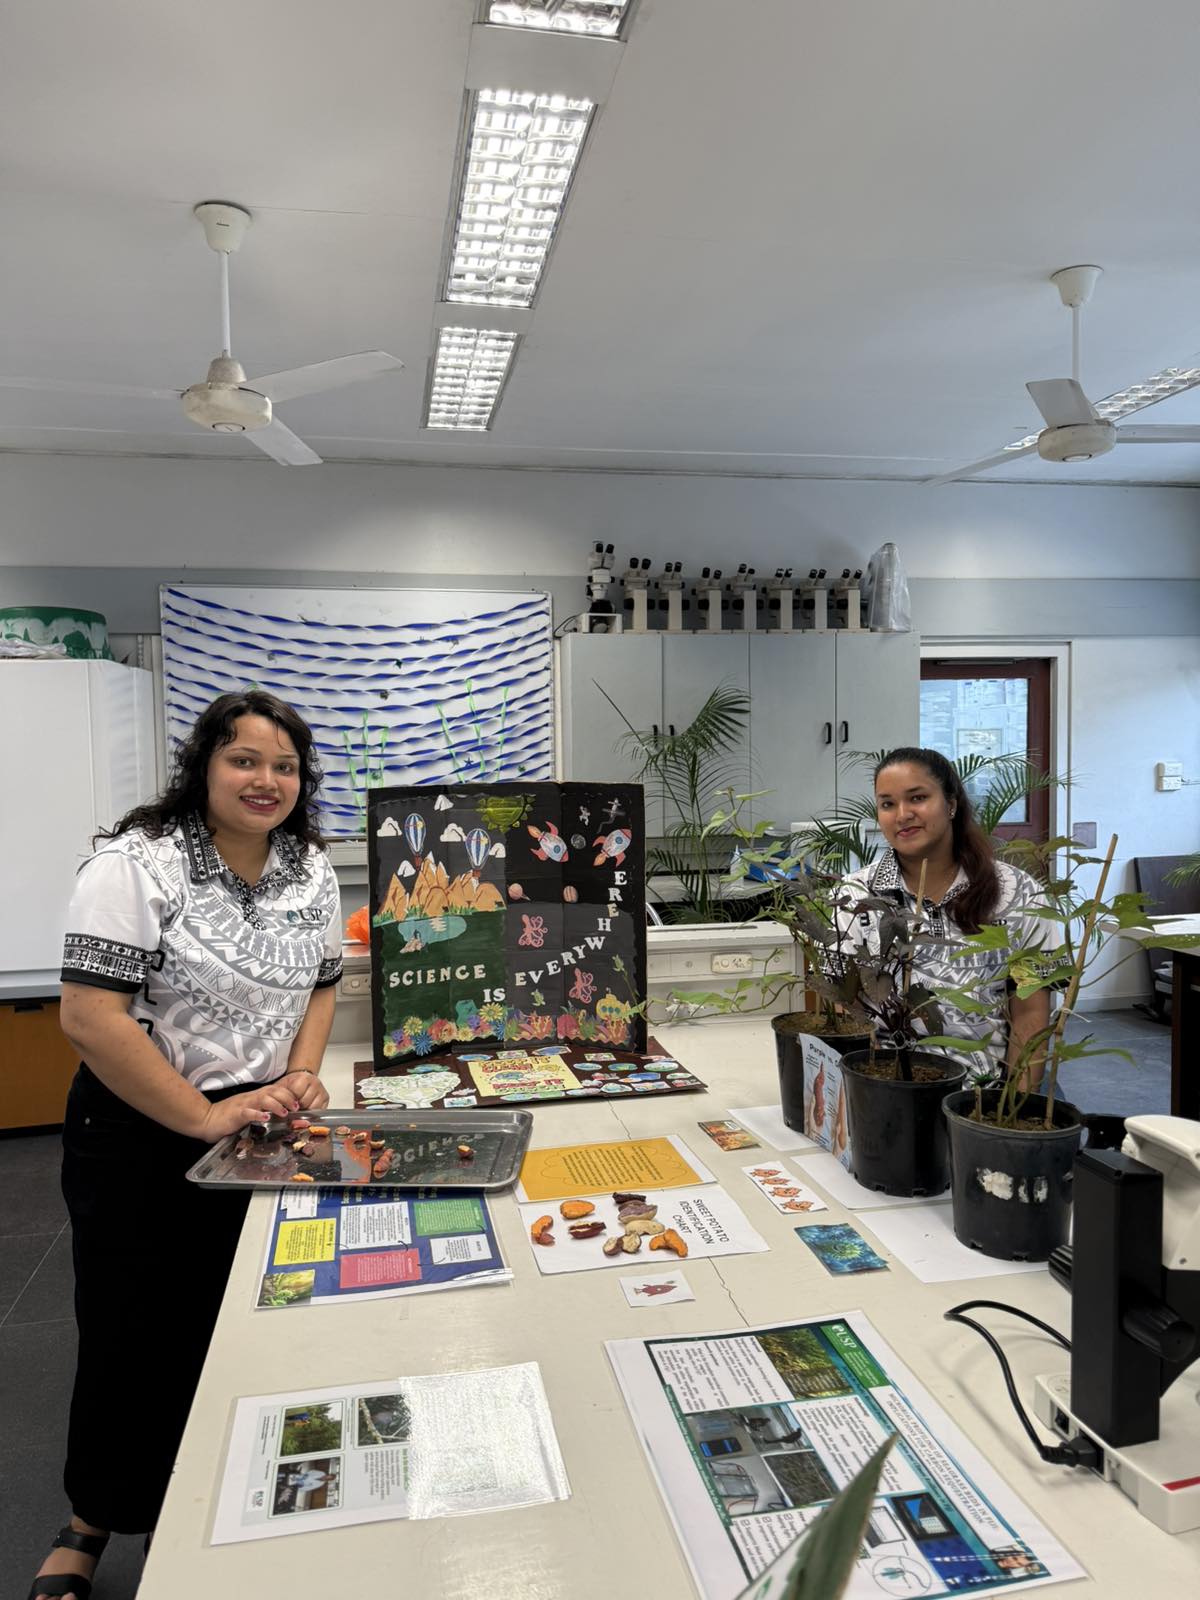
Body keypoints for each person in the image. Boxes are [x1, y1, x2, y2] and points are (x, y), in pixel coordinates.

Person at [31, 691, 342, 1600]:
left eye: (284, 766)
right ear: (203, 766)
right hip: (140, 1130)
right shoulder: (137, 865)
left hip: (262, 1128)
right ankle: (91, 1522)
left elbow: (324, 984)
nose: (266, 780)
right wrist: (204, 1117)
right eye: (244, 759)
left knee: (245, 1326)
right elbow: (89, 1016)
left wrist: (300, 1073)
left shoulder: (311, 868)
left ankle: (221, 1516)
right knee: (131, 1331)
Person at [838, 747, 1051, 1076]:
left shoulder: (1019, 893)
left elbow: (1030, 1012)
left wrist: (1014, 1102)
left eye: (918, 798)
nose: (902, 814)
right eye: (887, 804)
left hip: (983, 1093)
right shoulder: (854, 896)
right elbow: (845, 1011)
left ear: (951, 804)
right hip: (885, 1086)